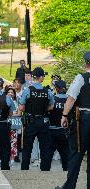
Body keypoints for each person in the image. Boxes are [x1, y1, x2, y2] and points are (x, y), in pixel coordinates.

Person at [56, 52, 90, 189]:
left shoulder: (81, 77)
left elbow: (71, 98)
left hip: (84, 119)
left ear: (86, 63)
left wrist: (64, 115)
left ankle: (69, 187)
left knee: (76, 153)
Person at [19, 67, 54, 171]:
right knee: (45, 148)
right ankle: (45, 171)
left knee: (27, 148)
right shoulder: (47, 91)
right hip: (43, 121)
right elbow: (51, 106)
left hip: (30, 121)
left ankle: (24, 170)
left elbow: (21, 107)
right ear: (41, 77)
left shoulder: (27, 90)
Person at [47, 80, 69, 171]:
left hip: (52, 130)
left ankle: (45, 173)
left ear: (56, 88)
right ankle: (66, 173)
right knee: (65, 154)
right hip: (65, 131)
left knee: (48, 155)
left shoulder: (52, 99)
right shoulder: (69, 100)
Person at [6, 87, 22, 166]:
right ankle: (3, 158)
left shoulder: (16, 102)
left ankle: (12, 158)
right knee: (4, 142)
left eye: (12, 92)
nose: (10, 93)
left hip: (14, 124)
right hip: (5, 124)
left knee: (14, 142)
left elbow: (19, 113)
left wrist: (10, 114)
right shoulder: (3, 101)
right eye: (8, 92)